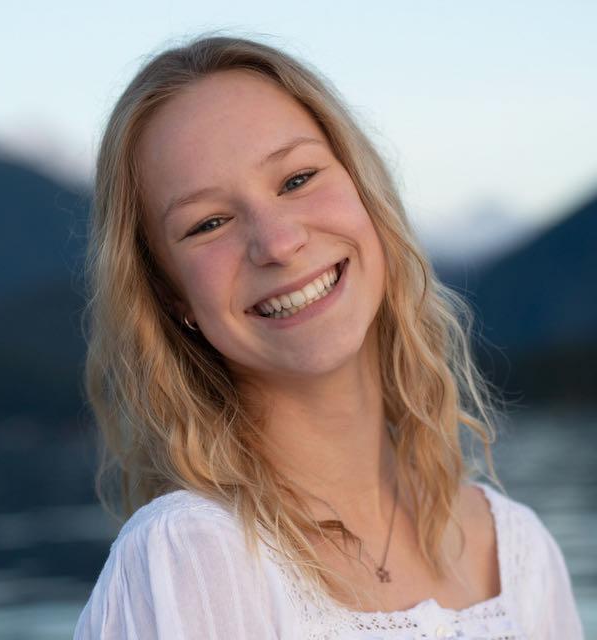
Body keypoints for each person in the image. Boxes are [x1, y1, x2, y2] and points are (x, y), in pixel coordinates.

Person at [73, 34, 584, 639]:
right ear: (171, 295)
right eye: (208, 223)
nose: (278, 242)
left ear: (366, 194)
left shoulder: (521, 554)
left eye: (297, 179)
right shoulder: (188, 556)